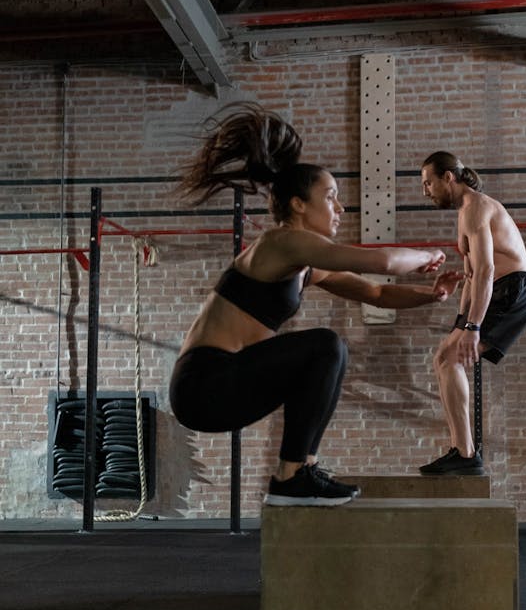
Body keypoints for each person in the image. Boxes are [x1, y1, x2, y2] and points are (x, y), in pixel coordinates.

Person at [169, 102, 462, 507]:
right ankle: (291, 477)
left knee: (331, 353)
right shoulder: (281, 242)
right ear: (298, 205)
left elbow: (375, 292)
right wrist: (426, 255)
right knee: (325, 346)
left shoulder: (303, 264)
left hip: (227, 383)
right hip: (204, 384)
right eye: (331, 198)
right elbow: (380, 262)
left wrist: (431, 295)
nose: (339, 209)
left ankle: (303, 468)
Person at [418, 151, 526, 476]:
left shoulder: (477, 208)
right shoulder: (464, 214)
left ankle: (466, 454)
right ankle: (462, 451)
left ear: (449, 177)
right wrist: (461, 324)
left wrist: (472, 327)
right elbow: (471, 277)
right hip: (499, 290)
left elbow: (487, 270)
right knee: (444, 357)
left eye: (428, 182)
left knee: (450, 359)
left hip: (513, 288)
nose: (425, 191)